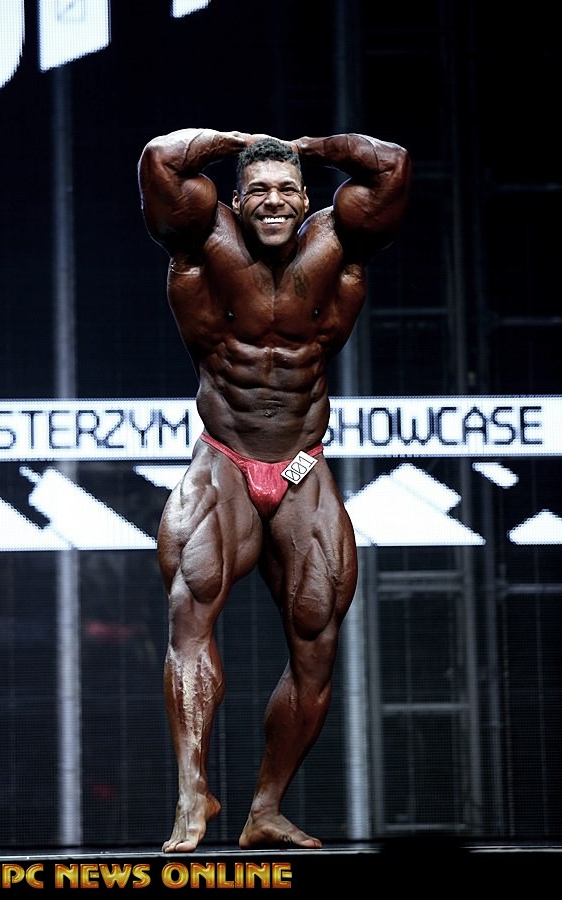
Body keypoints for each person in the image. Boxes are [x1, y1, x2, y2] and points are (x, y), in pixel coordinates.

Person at [137, 127, 411, 852]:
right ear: (235, 199)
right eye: (257, 189)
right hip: (224, 460)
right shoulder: (202, 244)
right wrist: (234, 139)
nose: (273, 201)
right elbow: (160, 159)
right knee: (189, 612)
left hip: (299, 466)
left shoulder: (338, 245)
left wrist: (310, 145)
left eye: (287, 189)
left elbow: (392, 166)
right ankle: (192, 793)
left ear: (307, 196)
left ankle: (266, 807)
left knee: (316, 640)